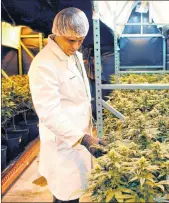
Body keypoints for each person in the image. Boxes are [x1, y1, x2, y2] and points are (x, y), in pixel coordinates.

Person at [28, 7, 107, 203]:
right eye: (71, 40)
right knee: (65, 195)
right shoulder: (44, 64)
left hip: (78, 138)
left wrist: (88, 133)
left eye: (80, 40)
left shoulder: (74, 56)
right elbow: (49, 113)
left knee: (75, 192)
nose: (76, 46)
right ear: (57, 33)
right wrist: (84, 139)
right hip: (63, 145)